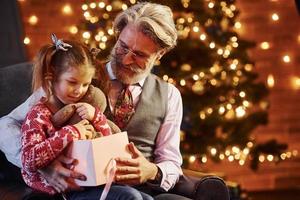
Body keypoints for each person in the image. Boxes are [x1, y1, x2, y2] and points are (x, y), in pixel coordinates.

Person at [0, 2, 228, 200]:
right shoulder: (77, 77)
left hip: (141, 189)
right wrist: (44, 166)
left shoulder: (169, 95)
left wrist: (152, 171)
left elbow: (170, 161)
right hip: (83, 187)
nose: (127, 59)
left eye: (140, 55)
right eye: (123, 46)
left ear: (160, 55)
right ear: (117, 36)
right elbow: (4, 126)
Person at [18, 34, 154, 200]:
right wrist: (71, 132)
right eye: (72, 82)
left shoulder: (83, 108)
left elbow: (106, 140)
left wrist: (97, 117)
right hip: (61, 191)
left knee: (147, 199)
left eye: (85, 84)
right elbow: (28, 161)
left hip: (91, 183)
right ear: (51, 78)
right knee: (130, 197)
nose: (79, 90)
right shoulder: (37, 115)